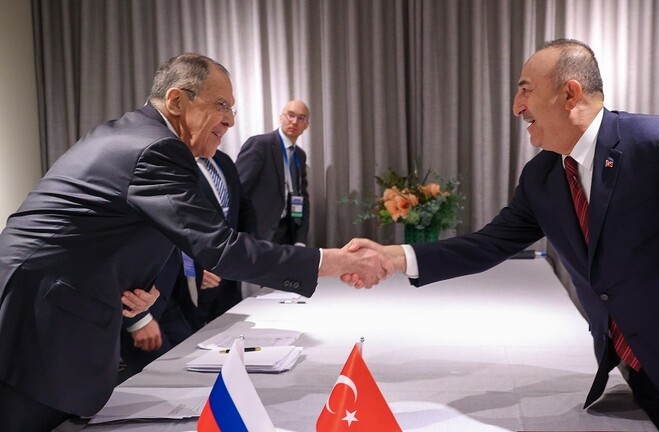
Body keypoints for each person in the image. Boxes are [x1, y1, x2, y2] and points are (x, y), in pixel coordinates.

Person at [345, 39, 659, 432]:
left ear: (570, 94)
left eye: (525, 90)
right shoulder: (542, 176)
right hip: (642, 378)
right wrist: (395, 257)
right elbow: (490, 244)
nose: (516, 107)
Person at [0, 53, 391, 431]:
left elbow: (106, 232)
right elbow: (219, 247)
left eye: (232, 109)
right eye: (222, 105)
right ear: (176, 101)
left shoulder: (135, 135)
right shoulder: (156, 148)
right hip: (36, 324)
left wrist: (136, 285)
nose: (230, 120)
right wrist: (335, 262)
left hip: (50, 311)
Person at [121, 149, 256, 374]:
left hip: (174, 293)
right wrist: (139, 320)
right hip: (141, 301)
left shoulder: (218, 162)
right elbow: (122, 248)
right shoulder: (150, 164)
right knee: (158, 378)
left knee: (190, 370)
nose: (224, 129)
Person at [236, 99, 311, 247]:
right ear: (281, 117)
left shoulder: (299, 155)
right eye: (290, 115)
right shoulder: (260, 145)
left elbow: (302, 196)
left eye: (301, 118)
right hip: (257, 234)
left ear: (306, 125)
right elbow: (237, 191)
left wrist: (300, 239)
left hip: (287, 233)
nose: (294, 121)